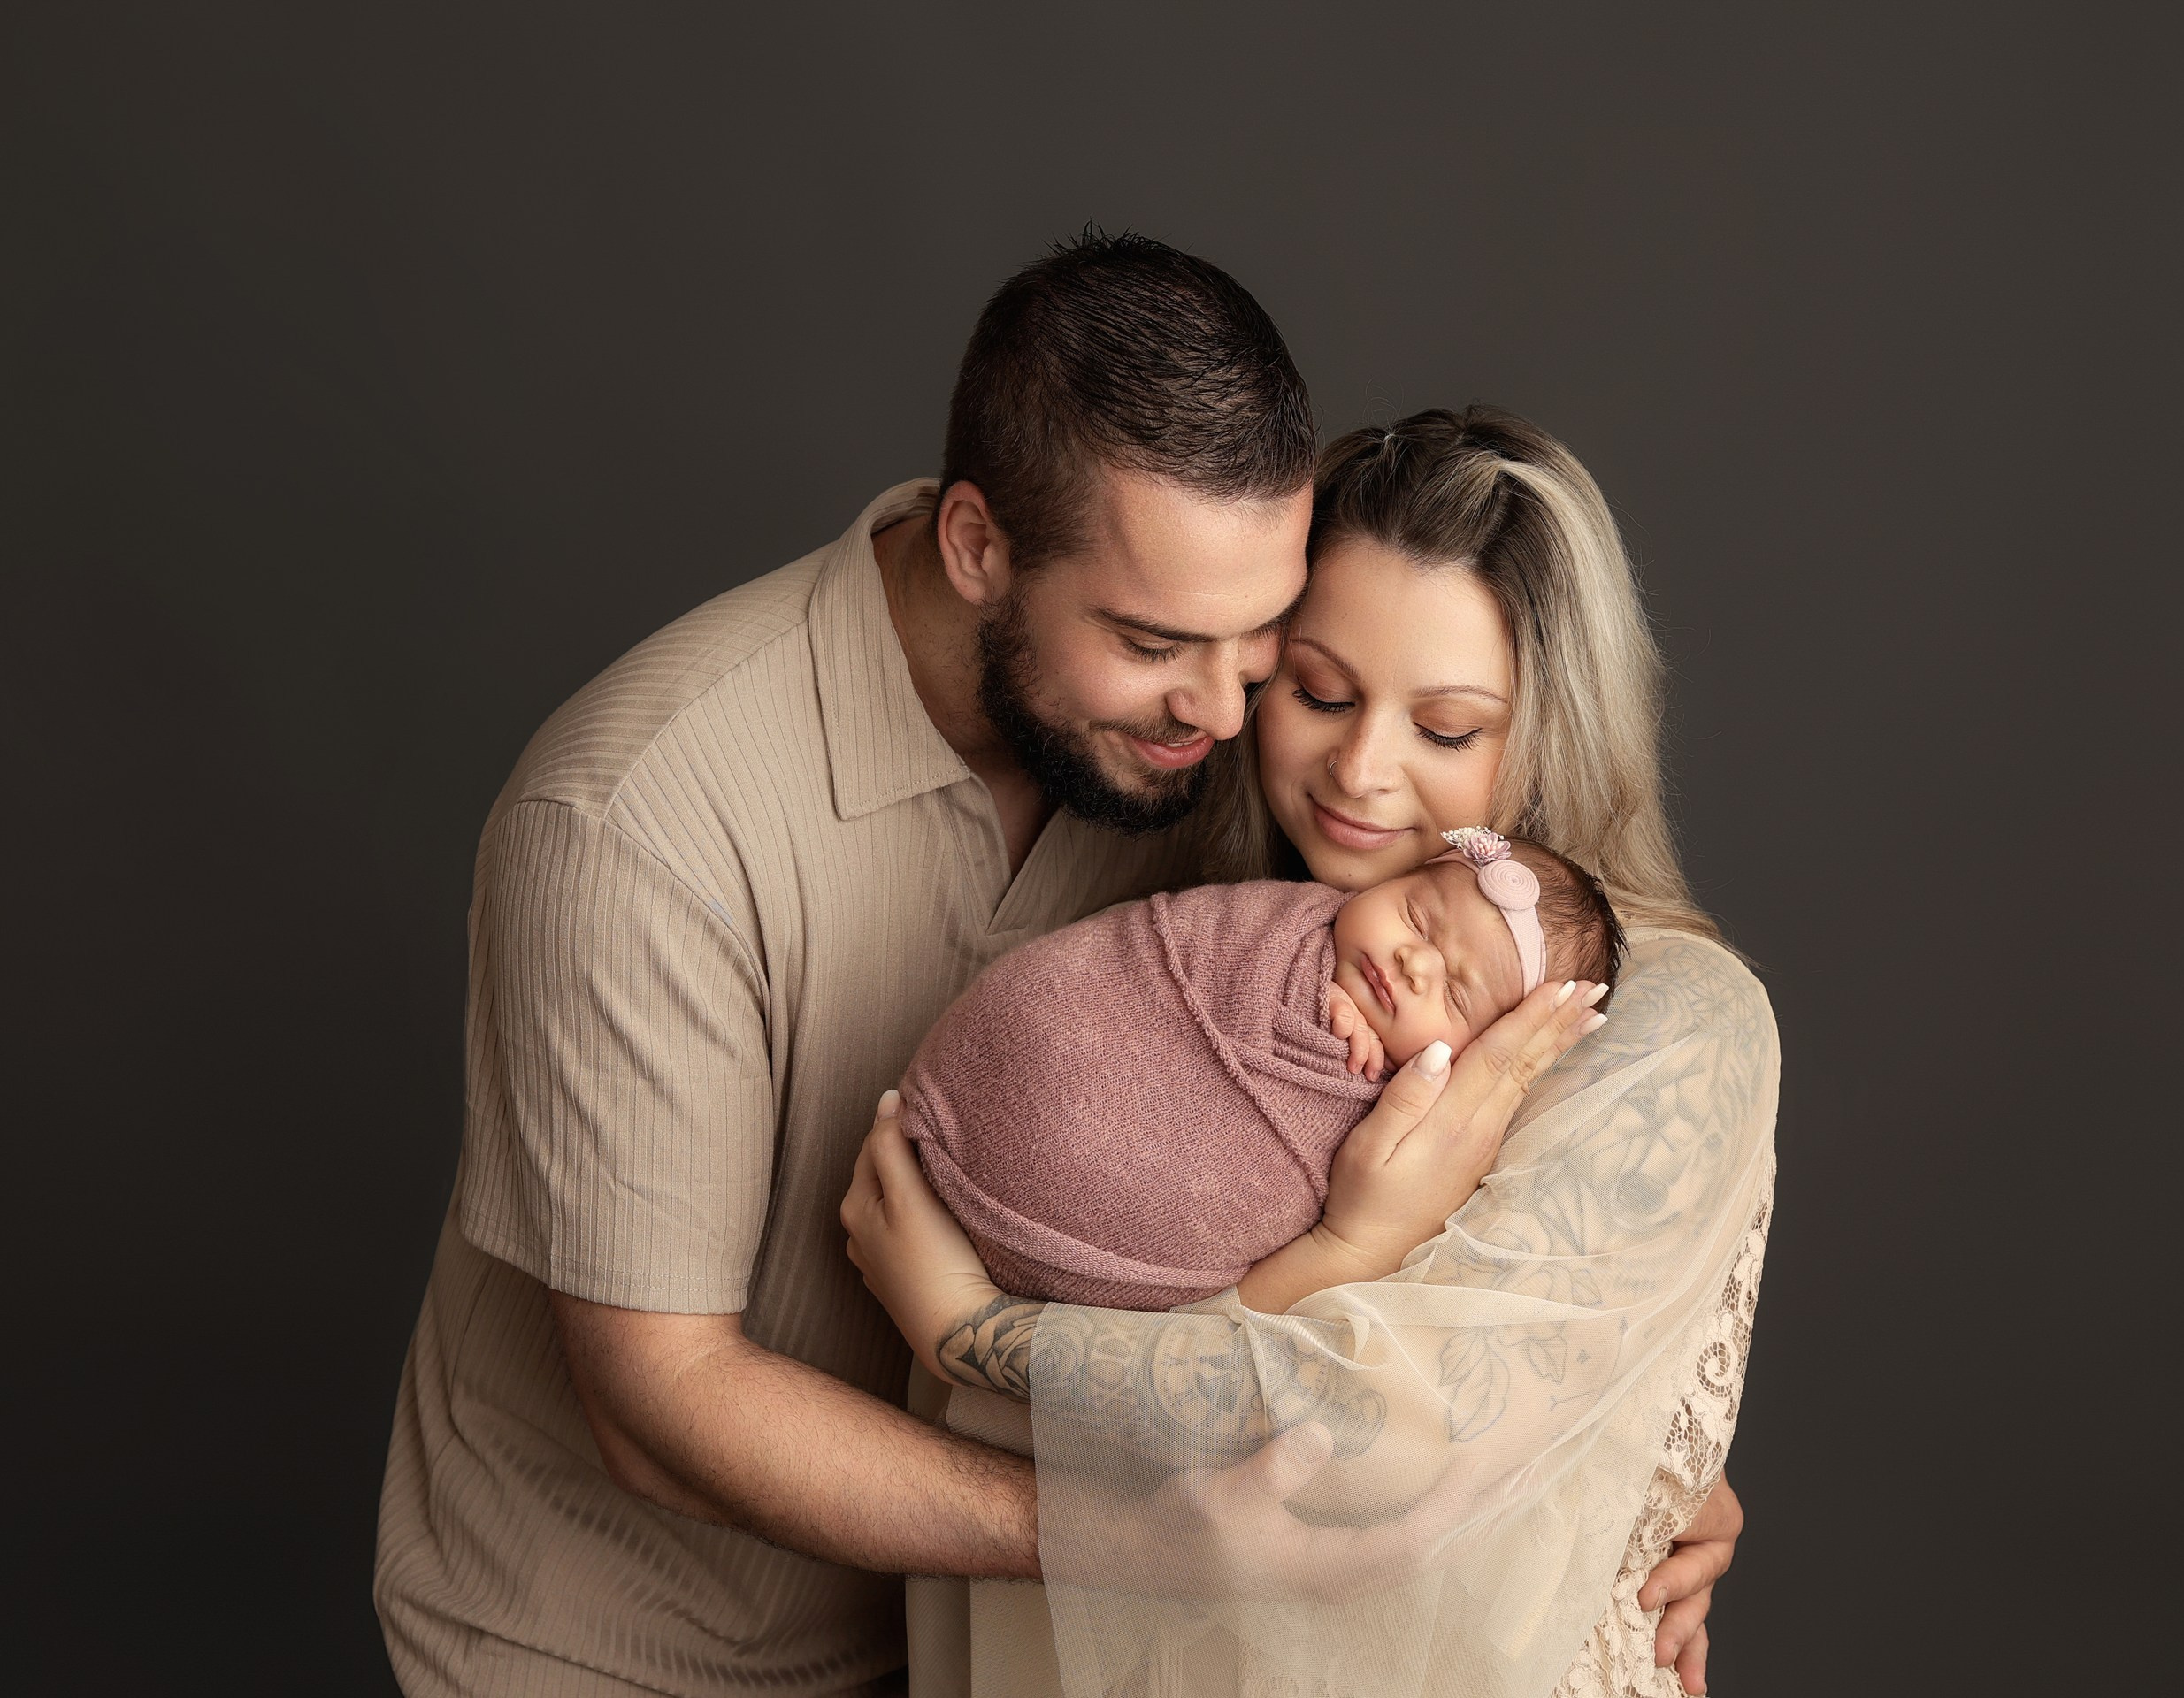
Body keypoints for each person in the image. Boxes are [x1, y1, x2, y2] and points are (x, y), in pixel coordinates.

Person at [374, 236, 1737, 1698]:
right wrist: (1143, 1537)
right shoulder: (640, 824)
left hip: (989, 1652)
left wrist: (1608, 1473)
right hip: (636, 1655)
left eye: (1266, 644)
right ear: (977, 548)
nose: (1233, 708)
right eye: (1159, 641)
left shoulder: (1231, 779)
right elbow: (664, 1405)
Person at [845, 408, 1776, 1698]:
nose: (1360, 769)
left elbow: (1344, 1454)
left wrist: (966, 1325)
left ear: (1551, 731)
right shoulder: (1172, 944)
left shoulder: (1662, 1023)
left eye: (1447, 728)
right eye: (1320, 691)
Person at [898, 831, 1617, 1311]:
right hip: (997, 1075)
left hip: (1054, 1277)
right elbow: (1173, 954)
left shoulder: (1426, 1124)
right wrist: (1303, 986)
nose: (1412, 961)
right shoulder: (1284, 919)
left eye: (1456, 994)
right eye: (1417, 916)